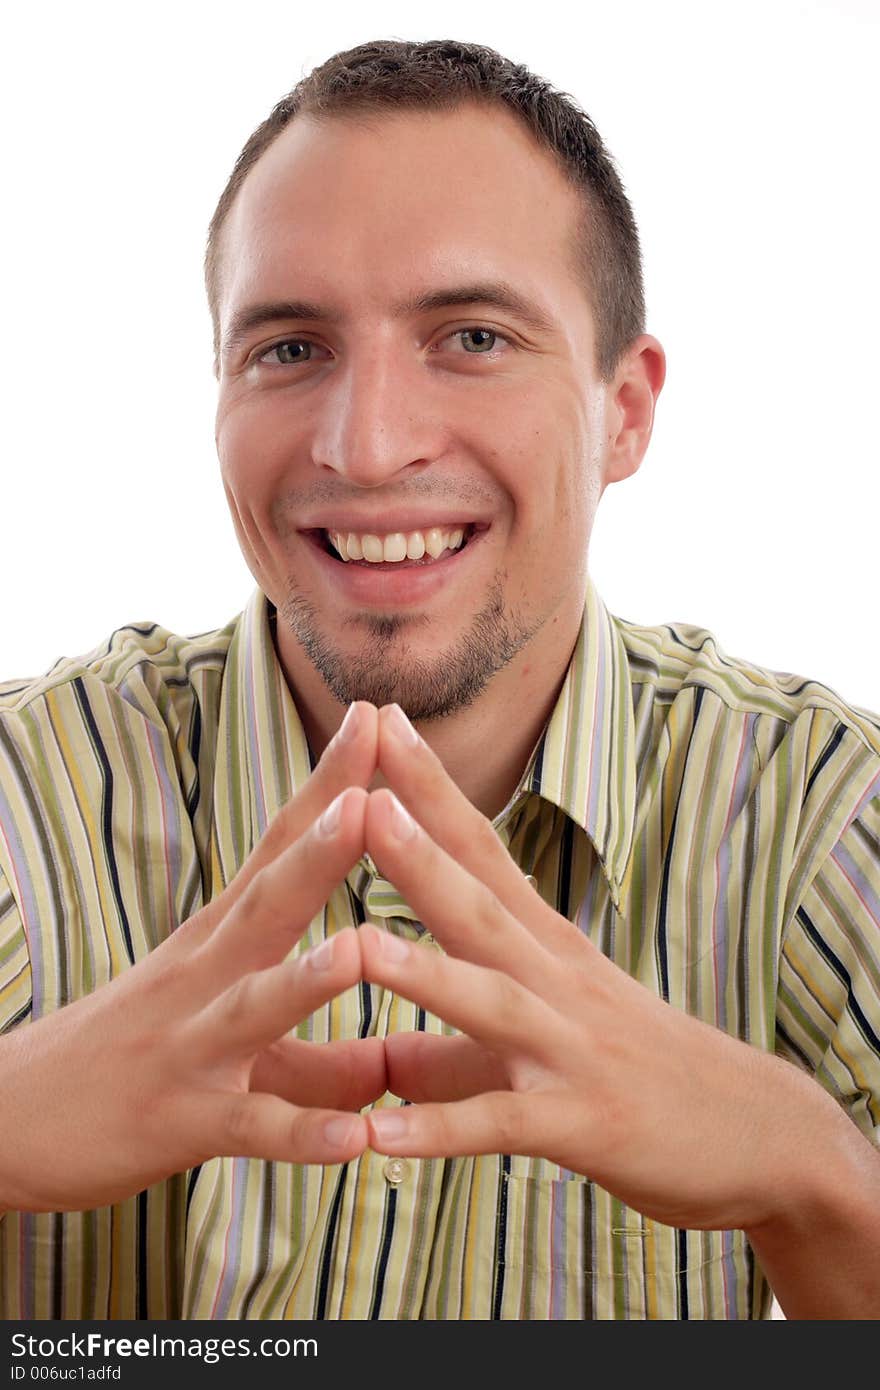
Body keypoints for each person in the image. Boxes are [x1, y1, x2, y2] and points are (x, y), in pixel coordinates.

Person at [0, 37, 878, 1323]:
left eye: (470, 335)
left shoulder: (821, 822)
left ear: (624, 410)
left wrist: (816, 1180)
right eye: (290, 349)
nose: (367, 445)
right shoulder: (30, 801)